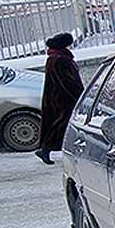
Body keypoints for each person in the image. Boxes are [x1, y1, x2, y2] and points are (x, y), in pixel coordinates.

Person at [36, 32, 84, 165]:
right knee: (61, 124)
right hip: (64, 99)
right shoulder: (61, 59)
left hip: (57, 97)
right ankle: (47, 148)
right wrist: (80, 96)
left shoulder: (54, 57)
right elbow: (69, 82)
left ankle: (49, 148)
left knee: (59, 124)